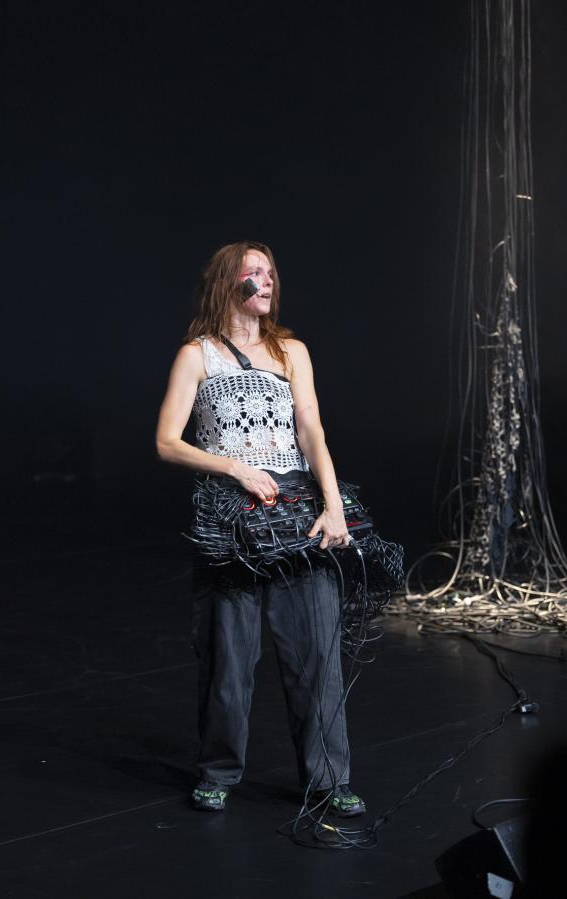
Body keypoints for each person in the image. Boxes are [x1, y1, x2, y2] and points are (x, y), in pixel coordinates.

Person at [155, 240, 365, 817]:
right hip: (230, 514)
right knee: (228, 654)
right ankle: (218, 771)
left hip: (296, 506)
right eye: (254, 273)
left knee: (316, 651)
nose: (266, 281)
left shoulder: (290, 351)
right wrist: (234, 468)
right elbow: (167, 442)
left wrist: (334, 505)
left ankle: (329, 780)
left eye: (270, 273)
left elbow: (312, 432)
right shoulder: (197, 355)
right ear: (228, 283)